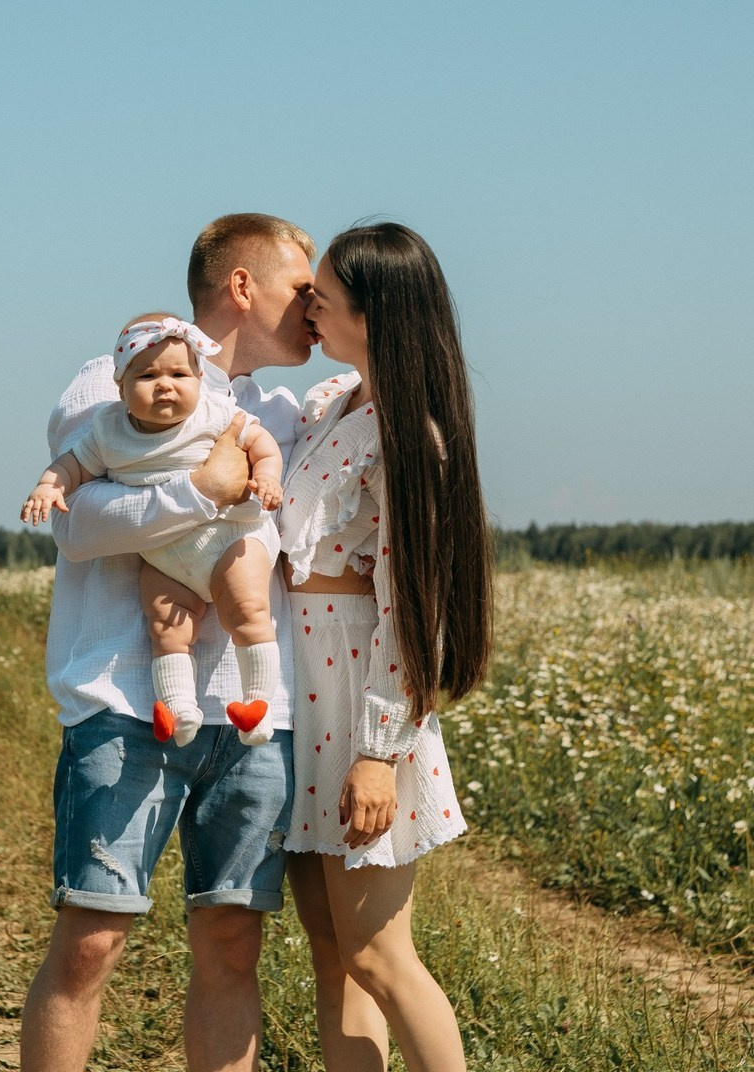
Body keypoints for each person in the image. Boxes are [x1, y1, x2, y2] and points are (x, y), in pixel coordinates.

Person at [19, 213, 316, 1072]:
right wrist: (203, 487)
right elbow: (79, 529)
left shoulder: (288, 411)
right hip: (124, 704)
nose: (314, 309)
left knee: (231, 948)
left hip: (256, 715)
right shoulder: (110, 382)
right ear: (241, 286)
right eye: (301, 289)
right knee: (90, 944)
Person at [279, 220, 493, 1072]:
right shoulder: (331, 403)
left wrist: (378, 751)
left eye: (322, 298)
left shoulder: (413, 438)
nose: (309, 309)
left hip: (358, 699)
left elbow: (414, 607)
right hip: (301, 690)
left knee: (381, 958)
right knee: (335, 959)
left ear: (374, 314)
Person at [20, 312, 285, 747]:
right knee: (165, 622)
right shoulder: (107, 430)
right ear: (120, 388)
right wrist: (49, 487)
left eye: (180, 373)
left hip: (229, 539)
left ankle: (257, 705)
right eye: (147, 376)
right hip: (164, 554)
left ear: (200, 379)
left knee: (248, 608)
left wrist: (268, 476)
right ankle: (179, 707)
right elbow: (72, 466)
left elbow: (260, 444)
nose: (165, 385)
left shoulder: (215, 413)